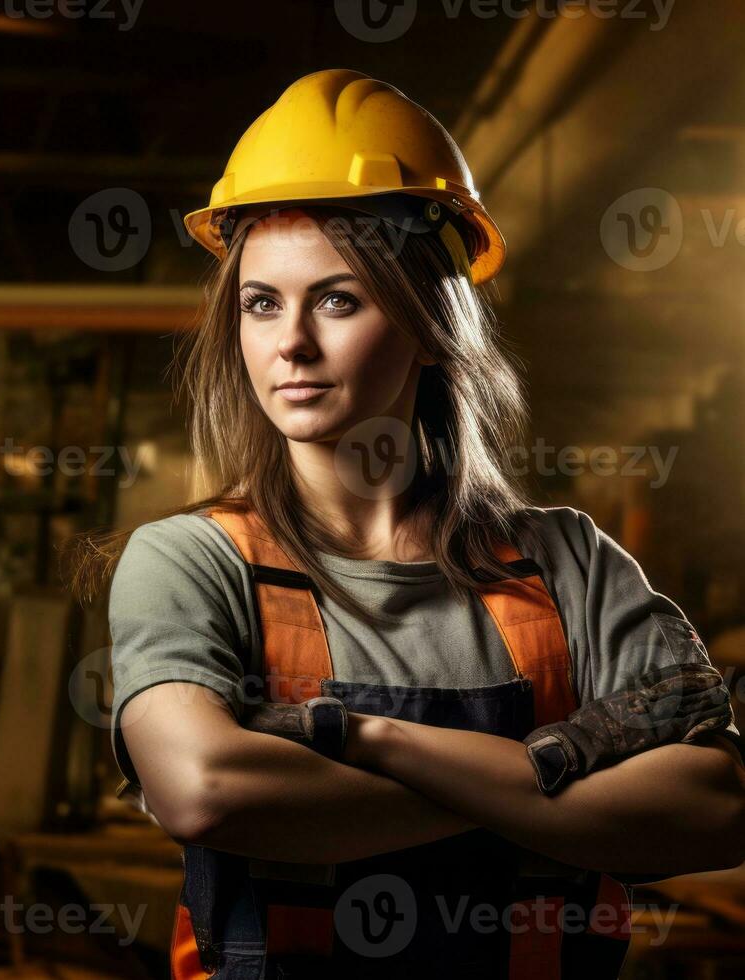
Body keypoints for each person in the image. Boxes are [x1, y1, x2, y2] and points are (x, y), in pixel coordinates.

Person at [70, 70, 745, 978]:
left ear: (430, 321)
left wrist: (360, 736)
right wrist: (552, 783)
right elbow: (205, 788)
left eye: (337, 300)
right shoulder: (192, 560)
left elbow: (714, 807)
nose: (290, 344)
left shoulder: (567, 562)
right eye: (260, 302)